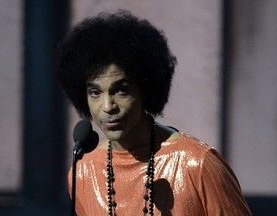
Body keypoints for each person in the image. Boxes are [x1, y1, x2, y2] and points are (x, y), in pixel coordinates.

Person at [56, 9, 252, 216]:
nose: (107, 106)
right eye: (95, 92)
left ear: (145, 89)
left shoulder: (197, 164)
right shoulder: (83, 172)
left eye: (121, 90)